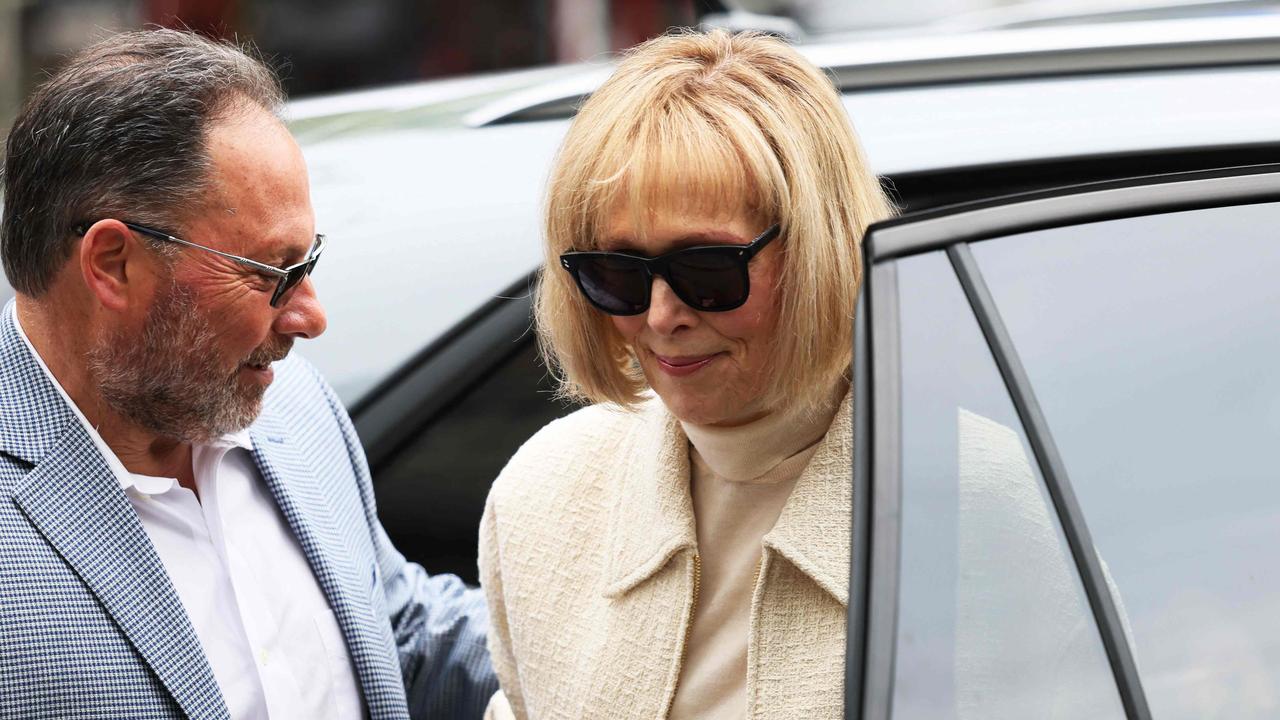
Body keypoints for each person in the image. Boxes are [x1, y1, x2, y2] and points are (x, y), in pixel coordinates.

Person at [0, 30, 495, 719]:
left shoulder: (291, 405)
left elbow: (397, 632)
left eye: (309, 263)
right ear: (113, 263)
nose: (311, 318)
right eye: (273, 273)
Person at [478, 29, 893, 719]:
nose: (662, 315)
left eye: (707, 269)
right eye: (619, 274)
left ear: (820, 246)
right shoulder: (544, 496)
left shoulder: (967, 504)